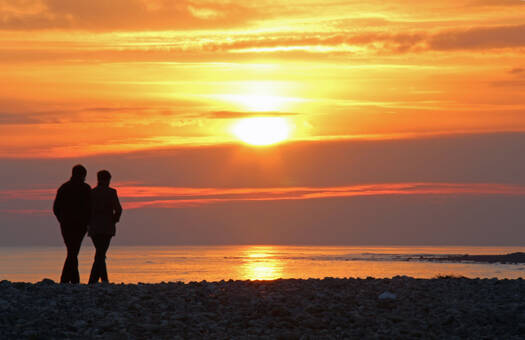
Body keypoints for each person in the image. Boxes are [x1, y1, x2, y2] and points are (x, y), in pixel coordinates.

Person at [53, 164, 92, 284]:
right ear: (81, 175)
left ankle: (68, 280)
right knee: (73, 251)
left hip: (66, 224)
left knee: (72, 251)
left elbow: (56, 208)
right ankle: (70, 280)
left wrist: (62, 220)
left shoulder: (64, 188)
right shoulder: (85, 188)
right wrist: (88, 222)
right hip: (79, 224)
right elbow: (90, 208)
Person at [88, 170, 122, 284]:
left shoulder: (91, 193)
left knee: (100, 253)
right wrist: (114, 220)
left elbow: (87, 211)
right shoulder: (111, 192)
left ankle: (99, 280)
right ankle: (98, 281)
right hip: (107, 228)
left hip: (94, 228)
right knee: (101, 254)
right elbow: (118, 209)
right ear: (107, 180)